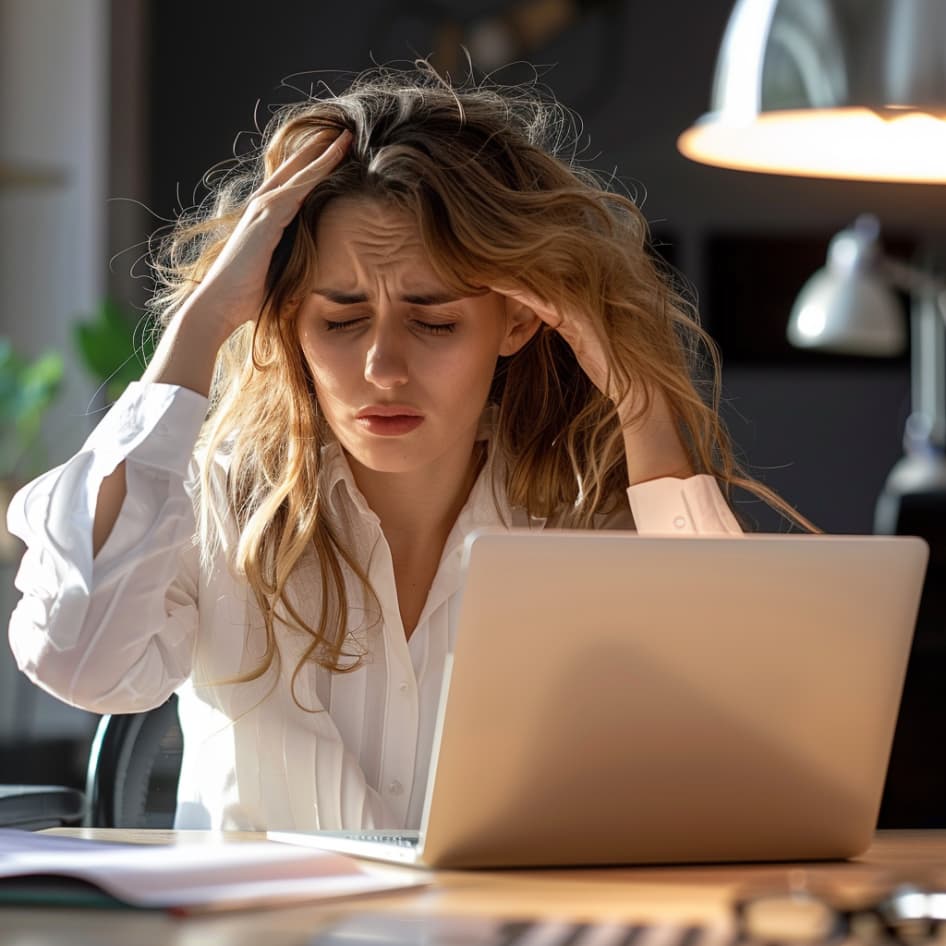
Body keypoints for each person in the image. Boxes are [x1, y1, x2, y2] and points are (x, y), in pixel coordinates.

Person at [6, 64, 805, 831]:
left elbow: (740, 720)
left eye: (435, 321)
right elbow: (78, 658)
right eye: (339, 319)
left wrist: (638, 399)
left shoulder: (581, 531)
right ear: (286, 322)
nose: (382, 368)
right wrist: (203, 321)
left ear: (519, 322)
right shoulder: (213, 504)